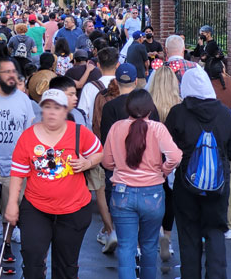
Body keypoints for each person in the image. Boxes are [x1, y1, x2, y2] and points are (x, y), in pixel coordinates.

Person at [4, 89, 103, 279]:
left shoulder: (79, 133)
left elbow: (99, 152)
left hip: (74, 209)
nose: (51, 112)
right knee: (32, 261)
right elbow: (18, 173)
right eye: (47, 107)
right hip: (36, 208)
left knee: (66, 266)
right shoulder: (28, 136)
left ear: (65, 111)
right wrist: (12, 204)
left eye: (56, 108)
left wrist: (87, 163)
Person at [102, 89, 182, 279]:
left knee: (126, 248)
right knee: (149, 246)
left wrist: (118, 166)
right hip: (152, 195)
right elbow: (176, 156)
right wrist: (164, 170)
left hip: (122, 193)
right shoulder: (157, 128)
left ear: (127, 107)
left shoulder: (116, 128)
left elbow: (106, 162)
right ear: (150, 109)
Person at [165, 67, 231, 278]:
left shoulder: (178, 113)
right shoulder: (224, 113)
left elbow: (168, 149)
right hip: (218, 184)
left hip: (185, 184)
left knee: (188, 235)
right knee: (215, 232)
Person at [0, 59, 38, 274]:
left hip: (16, 168)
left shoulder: (24, 99)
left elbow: (29, 131)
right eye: (6, 72)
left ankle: (6, 244)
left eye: (13, 72)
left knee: (10, 213)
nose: (11, 76)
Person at [77, 46, 119, 253]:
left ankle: (109, 229)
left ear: (99, 65)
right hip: (123, 146)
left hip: (98, 146)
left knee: (101, 190)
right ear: (118, 64)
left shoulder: (90, 88)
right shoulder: (124, 85)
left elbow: (84, 117)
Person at [146, 65, 181, 261]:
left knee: (153, 198)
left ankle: (156, 232)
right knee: (170, 199)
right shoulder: (179, 104)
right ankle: (167, 236)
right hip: (173, 160)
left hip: (152, 160)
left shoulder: (148, 106)